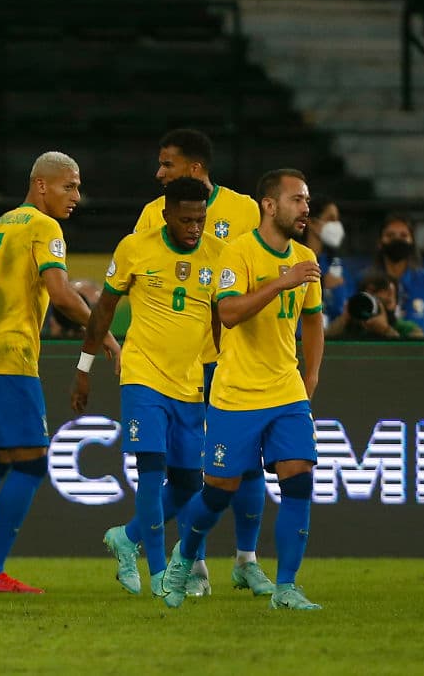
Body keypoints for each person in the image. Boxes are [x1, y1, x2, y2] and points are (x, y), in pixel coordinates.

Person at [0, 151, 120, 593]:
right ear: (42, 185)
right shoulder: (44, 226)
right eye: (68, 186)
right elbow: (59, 292)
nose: (76, 196)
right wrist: (103, 332)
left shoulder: (2, 225)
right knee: (33, 464)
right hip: (12, 358)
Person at [161, 168, 325, 611]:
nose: (305, 208)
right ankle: (184, 556)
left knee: (299, 480)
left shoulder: (305, 256)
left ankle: (287, 588)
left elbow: (313, 318)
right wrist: (280, 282)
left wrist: (310, 375)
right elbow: (229, 312)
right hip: (236, 392)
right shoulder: (236, 253)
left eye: (307, 200)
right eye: (297, 199)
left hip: (286, 389)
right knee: (218, 491)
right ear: (269, 205)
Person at [135, 128, 271, 598]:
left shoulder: (245, 210)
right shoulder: (154, 213)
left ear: (195, 168)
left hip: (236, 359)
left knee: (247, 463)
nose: (158, 173)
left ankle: (247, 561)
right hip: (184, 365)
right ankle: (192, 563)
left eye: (167, 164)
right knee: (193, 470)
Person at [71, 176, 223, 598]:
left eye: (201, 218)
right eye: (187, 219)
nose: (195, 227)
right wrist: (84, 366)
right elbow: (103, 309)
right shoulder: (135, 247)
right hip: (143, 376)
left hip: (190, 384)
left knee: (192, 485)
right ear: (166, 214)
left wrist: (221, 370)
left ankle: (127, 537)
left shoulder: (219, 255)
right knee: (151, 475)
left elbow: (220, 319)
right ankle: (159, 575)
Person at [368, 212, 424, 338]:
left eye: (403, 235)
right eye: (390, 235)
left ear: (412, 242)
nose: (397, 240)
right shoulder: (366, 281)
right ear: (380, 242)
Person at [326, 270, 423, 340]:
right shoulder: (349, 330)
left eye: (387, 301)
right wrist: (344, 318)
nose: (377, 306)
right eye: (372, 297)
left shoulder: (409, 330)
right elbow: (321, 346)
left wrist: (386, 330)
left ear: (396, 303)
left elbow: (413, 360)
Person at [302, 195, 353, 327]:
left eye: (337, 220)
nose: (336, 225)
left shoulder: (336, 264)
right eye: (331, 219)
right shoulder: (294, 258)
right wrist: (322, 283)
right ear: (312, 223)